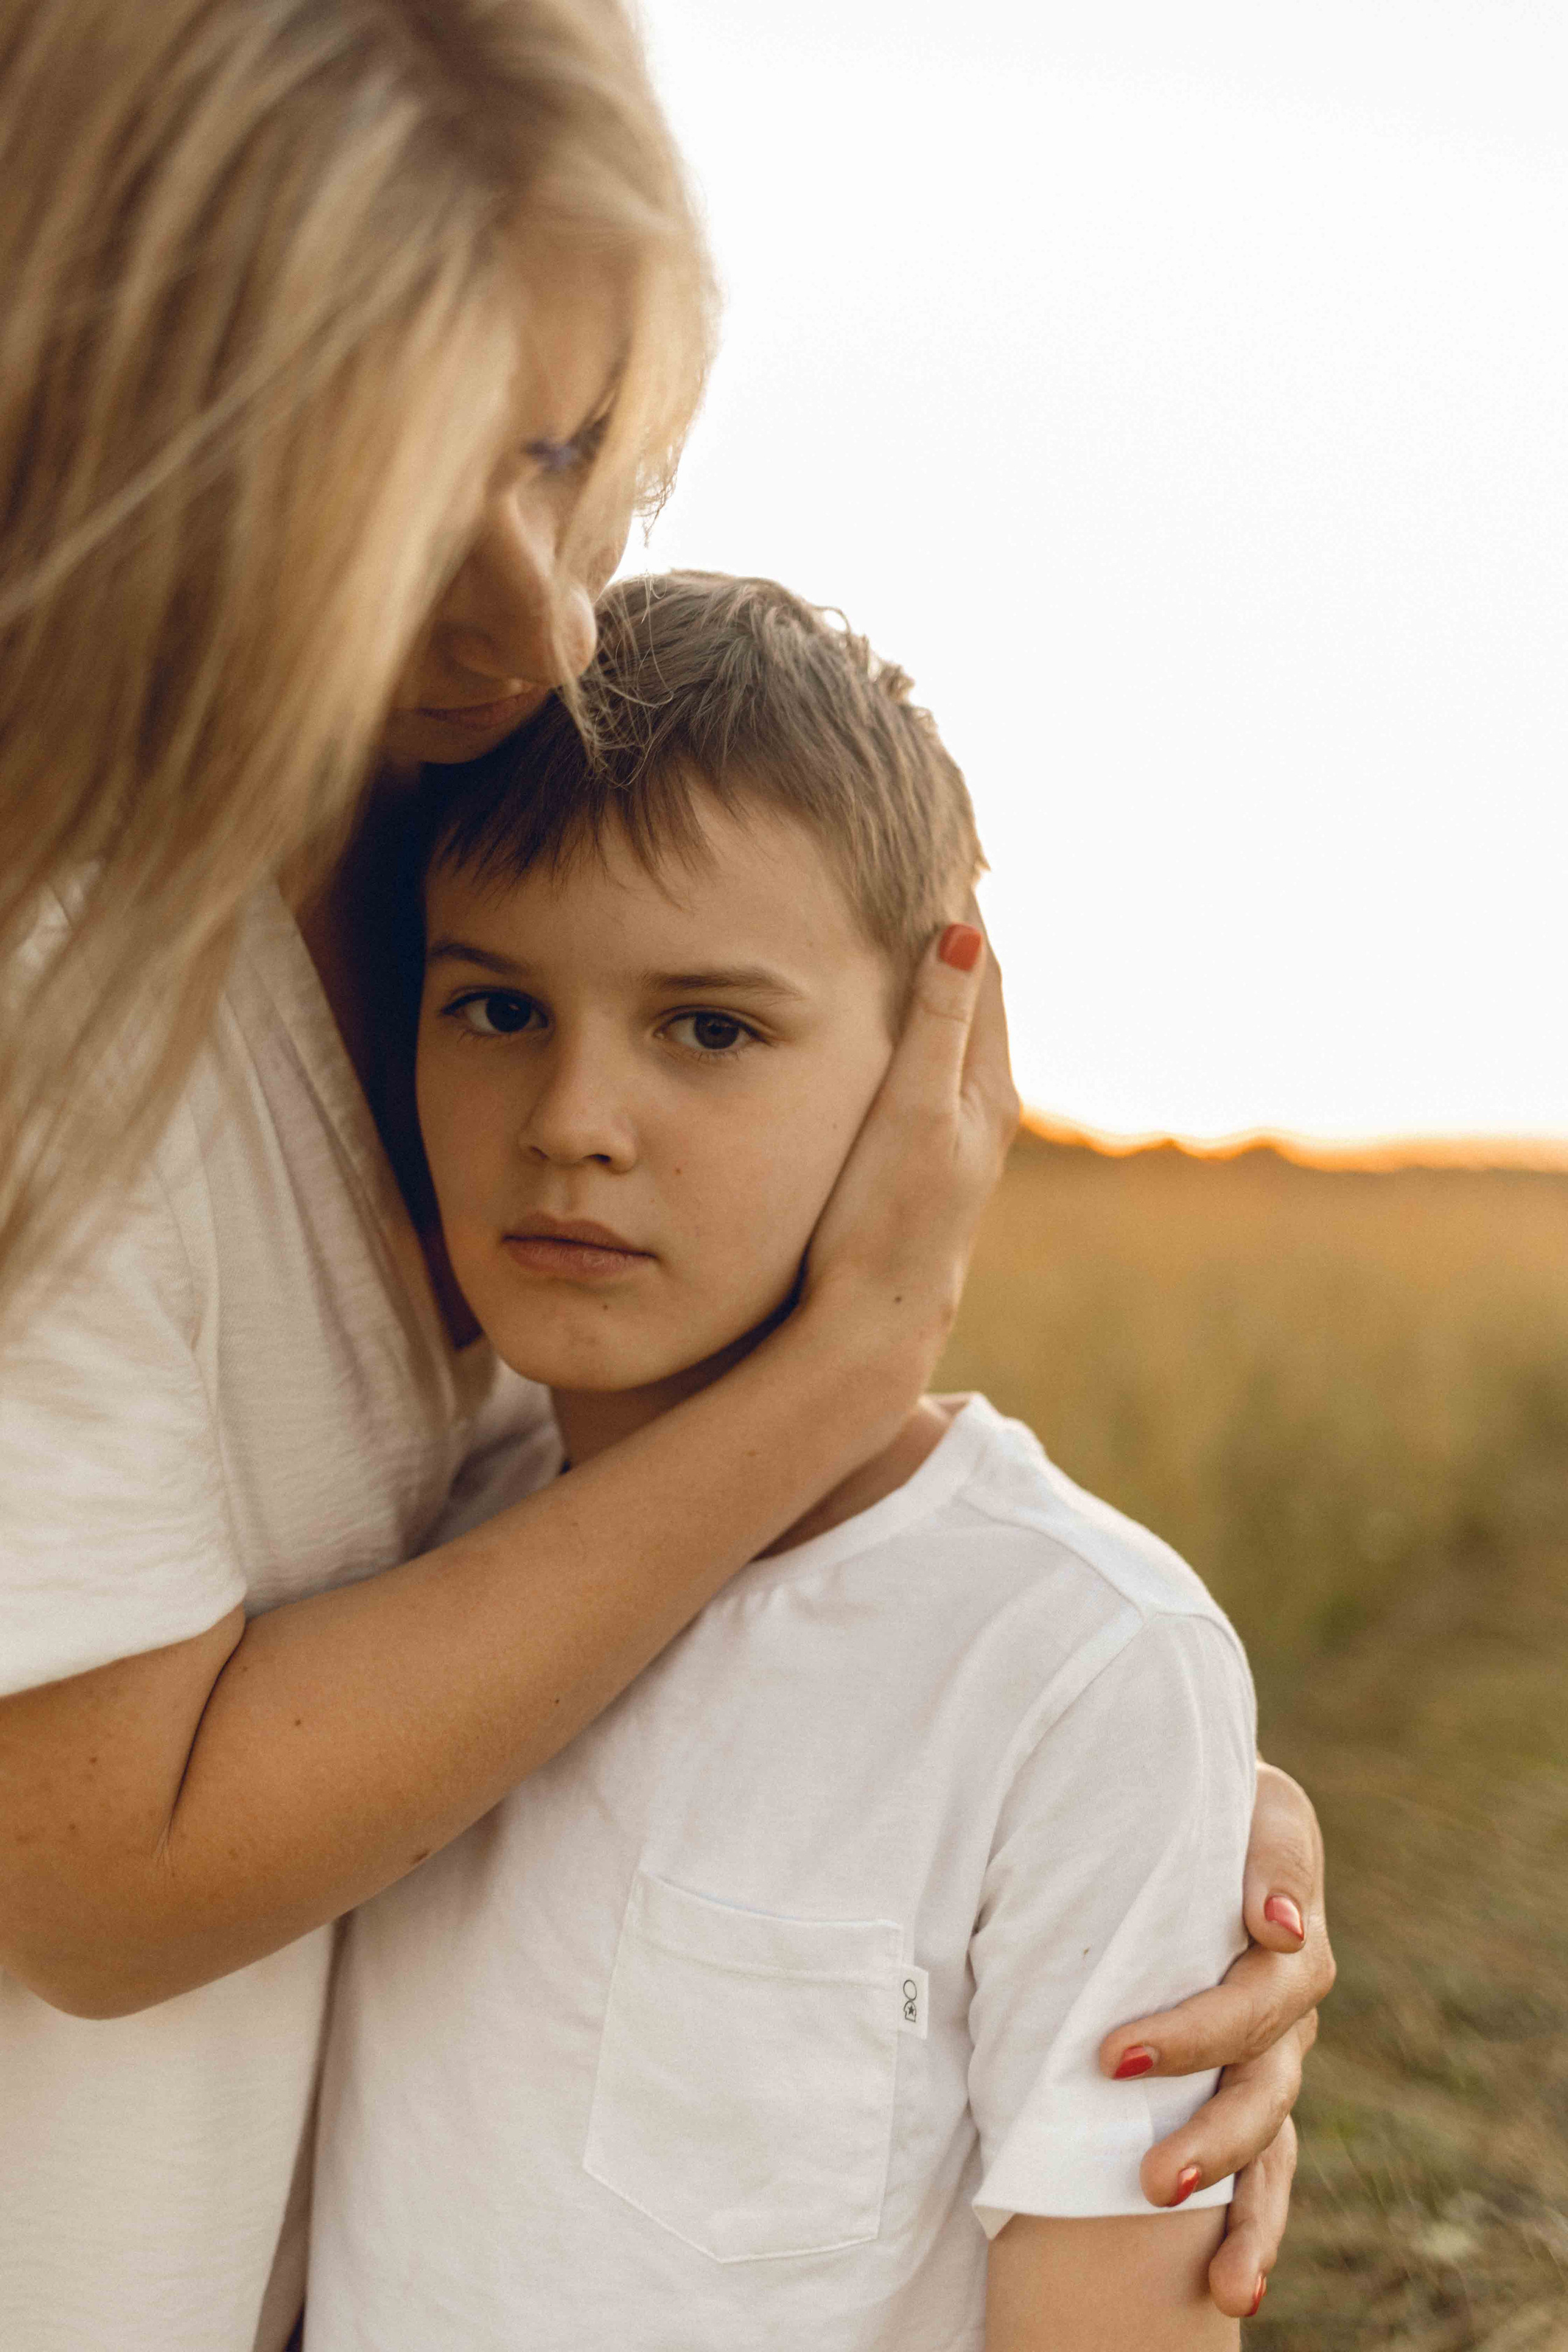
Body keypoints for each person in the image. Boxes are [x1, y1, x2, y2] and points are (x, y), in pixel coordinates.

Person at [0, 7, 1327, 2350]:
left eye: (578, 450)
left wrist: (1111, 1776)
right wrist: (843, 1381)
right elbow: (108, 1876)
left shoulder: (480, 824)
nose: (538, 617)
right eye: (386, 495)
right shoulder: (59, 961)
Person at [306, 571, 1262, 2350]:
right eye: (498, 1008)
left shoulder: (1072, 1661)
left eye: (711, 1029)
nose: (574, 1124)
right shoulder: (403, 1539)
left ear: (939, 1069)